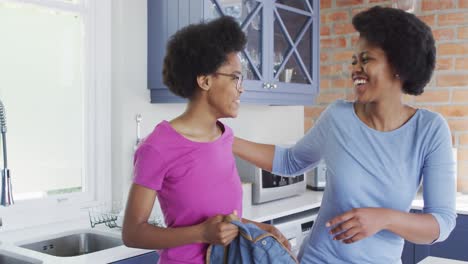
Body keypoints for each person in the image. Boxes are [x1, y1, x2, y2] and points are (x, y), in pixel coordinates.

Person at [233, 6, 456, 264]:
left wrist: (385, 218)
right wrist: (227, 140)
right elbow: (290, 161)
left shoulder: (429, 130)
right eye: (354, 61)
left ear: (399, 65)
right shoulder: (338, 117)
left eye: (366, 59)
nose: (355, 69)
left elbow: (441, 222)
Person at [122, 16, 289, 264]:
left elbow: (224, 220)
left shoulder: (224, 137)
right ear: (205, 80)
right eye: (235, 77)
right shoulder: (157, 147)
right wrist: (201, 233)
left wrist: (262, 228)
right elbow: (132, 233)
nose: (241, 88)